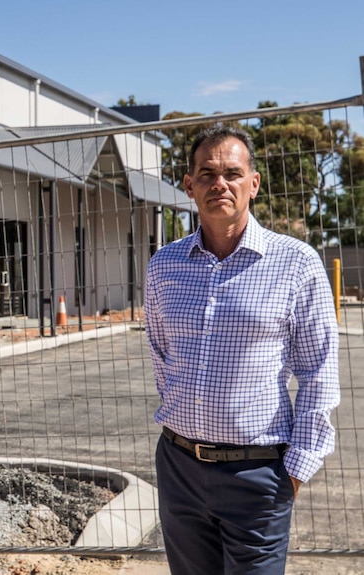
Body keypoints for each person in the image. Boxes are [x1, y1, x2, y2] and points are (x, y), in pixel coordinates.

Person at [144, 125, 340, 574]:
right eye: (207, 173)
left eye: (233, 172)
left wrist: (293, 473)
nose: (220, 183)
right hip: (179, 468)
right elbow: (162, 356)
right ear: (189, 185)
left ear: (253, 183)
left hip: (259, 477)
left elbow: (320, 373)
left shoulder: (296, 263)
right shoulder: (164, 266)